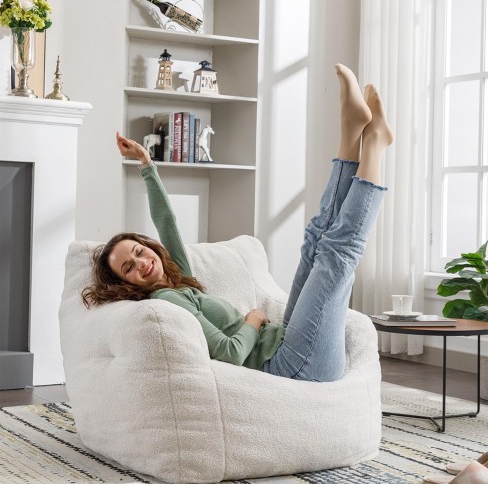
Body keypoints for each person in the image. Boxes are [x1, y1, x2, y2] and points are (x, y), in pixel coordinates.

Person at [82, 64, 393, 382]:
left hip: (288, 345)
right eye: (128, 268)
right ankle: (375, 145)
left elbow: (167, 221)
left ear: (149, 248)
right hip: (293, 367)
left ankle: (351, 132)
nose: (140, 263)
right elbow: (229, 352)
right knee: (333, 255)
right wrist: (254, 321)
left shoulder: (178, 282)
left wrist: (146, 163)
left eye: (137, 251)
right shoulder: (166, 299)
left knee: (315, 240)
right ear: (127, 284)